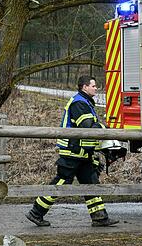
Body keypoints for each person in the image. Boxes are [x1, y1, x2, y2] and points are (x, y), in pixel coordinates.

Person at [25, 76, 119, 228]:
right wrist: (104, 128)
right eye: (94, 86)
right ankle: (36, 213)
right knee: (61, 182)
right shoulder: (79, 103)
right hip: (73, 151)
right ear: (84, 87)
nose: (96, 88)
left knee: (90, 183)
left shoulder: (84, 101)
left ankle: (99, 217)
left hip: (82, 153)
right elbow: (87, 125)